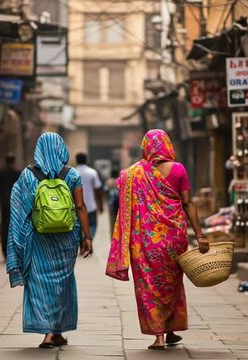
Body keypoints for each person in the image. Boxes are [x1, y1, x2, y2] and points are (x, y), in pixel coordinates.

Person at [106, 129, 209, 350]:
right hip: (174, 239)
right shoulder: (179, 169)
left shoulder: (133, 173)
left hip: (145, 241)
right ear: (167, 145)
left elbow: (122, 195)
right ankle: (170, 330)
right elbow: (188, 203)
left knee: (149, 286)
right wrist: (199, 235)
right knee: (171, 284)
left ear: (145, 147)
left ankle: (160, 336)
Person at [6, 132, 93, 349]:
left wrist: (19, 240)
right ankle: (56, 332)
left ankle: (49, 333)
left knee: (39, 282)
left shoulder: (28, 176)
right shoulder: (71, 175)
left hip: (39, 237)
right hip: (67, 238)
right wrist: (87, 236)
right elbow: (81, 207)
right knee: (61, 284)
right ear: (62, 149)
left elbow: (18, 210)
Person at [0, 153, 20, 260]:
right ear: (14, 161)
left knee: (4, 227)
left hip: (4, 203)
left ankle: (5, 252)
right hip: (16, 203)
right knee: (15, 227)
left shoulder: (0, 173)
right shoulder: (18, 173)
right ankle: (15, 252)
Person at [75, 153, 103, 247]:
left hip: (76, 205)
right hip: (91, 205)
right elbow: (98, 189)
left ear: (76, 160)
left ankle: (82, 242)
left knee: (78, 226)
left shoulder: (73, 173)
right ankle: (88, 240)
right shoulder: (92, 172)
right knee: (92, 224)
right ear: (86, 160)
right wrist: (100, 205)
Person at [105, 168, 120, 233]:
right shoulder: (119, 180)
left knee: (112, 221)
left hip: (111, 203)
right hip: (119, 203)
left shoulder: (109, 181)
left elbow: (105, 190)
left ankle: (112, 236)